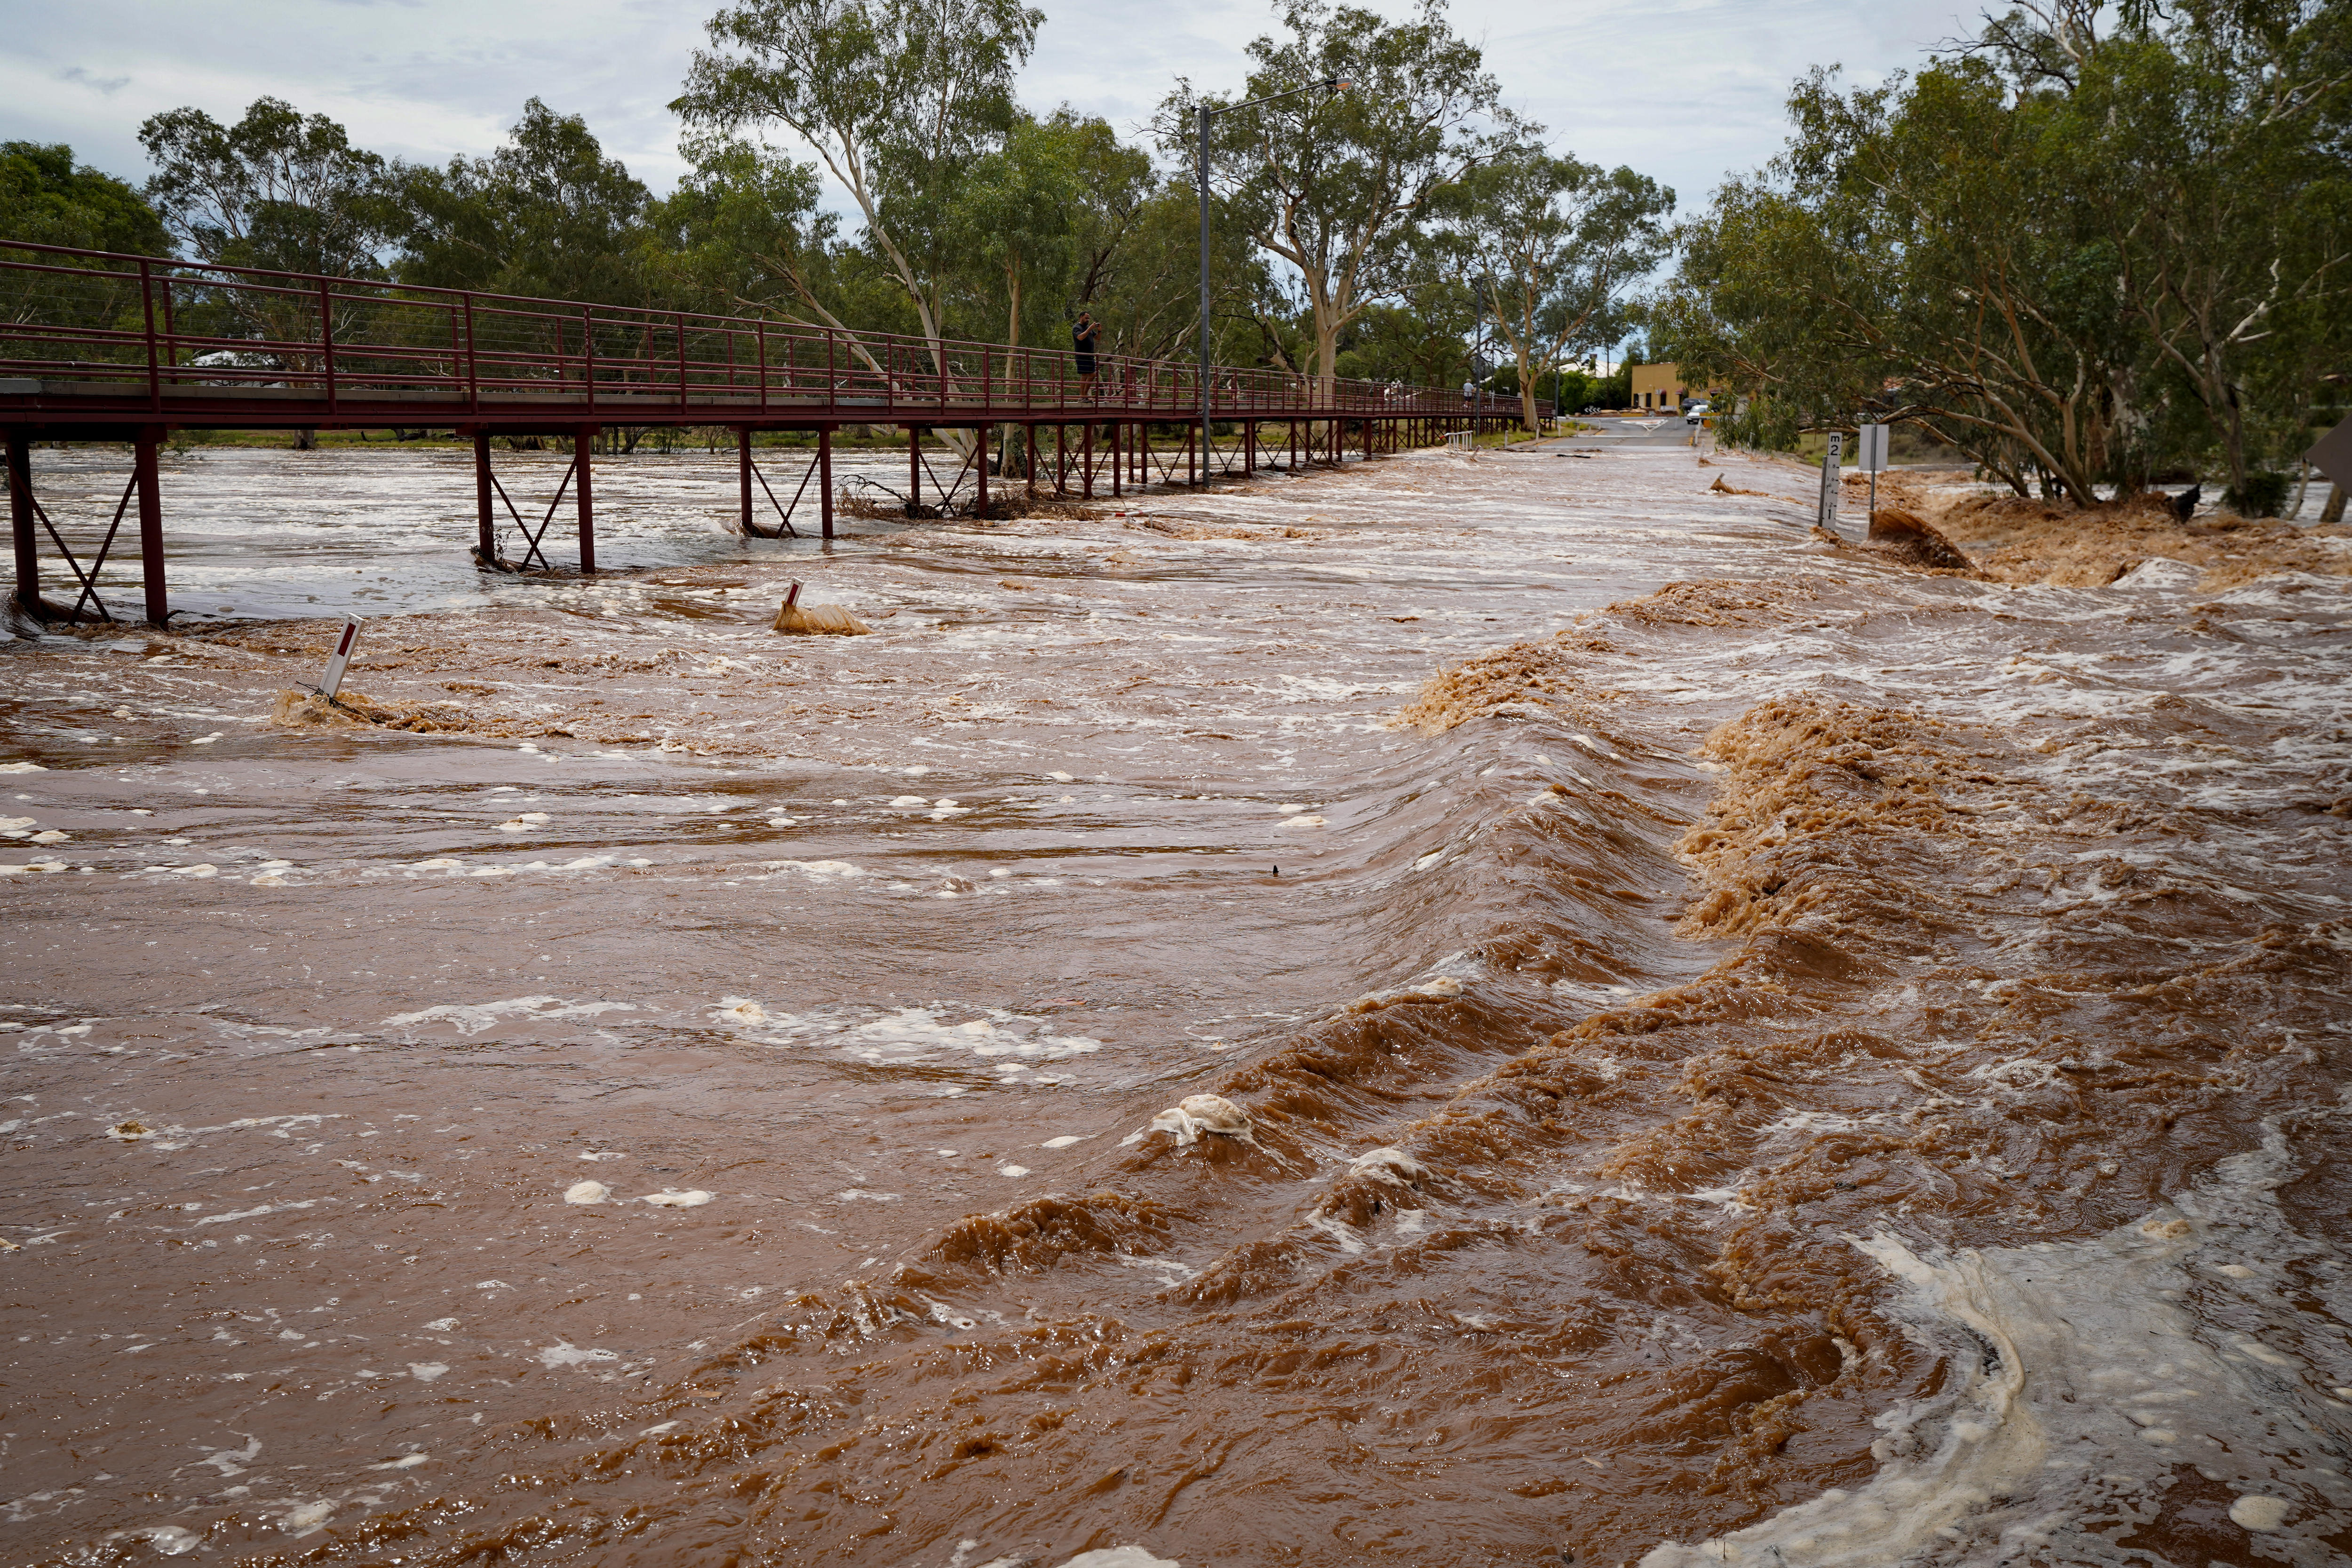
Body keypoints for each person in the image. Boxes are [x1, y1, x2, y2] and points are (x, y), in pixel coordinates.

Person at [1072, 311, 1102, 399]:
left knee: (1089, 375)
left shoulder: (1087, 328)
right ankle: (1083, 396)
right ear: (1081, 317)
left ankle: (1084, 396)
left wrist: (1099, 330)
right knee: (1088, 375)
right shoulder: (1077, 328)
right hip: (1081, 355)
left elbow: (1098, 338)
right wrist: (1090, 328)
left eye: (1089, 318)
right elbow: (1080, 337)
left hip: (1090, 355)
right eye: (1086, 318)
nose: (1088, 320)